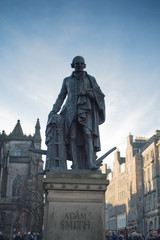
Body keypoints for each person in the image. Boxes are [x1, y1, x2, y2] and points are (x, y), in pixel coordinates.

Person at [48, 56, 105, 170]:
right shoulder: (67, 80)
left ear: (84, 65)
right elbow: (61, 96)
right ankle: (75, 164)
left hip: (86, 110)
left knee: (87, 135)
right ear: (72, 65)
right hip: (70, 110)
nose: (79, 65)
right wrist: (54, 110)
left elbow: (99, 94)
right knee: (72, 137)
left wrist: (87, 92)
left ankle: (90, 163)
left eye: (81, 63)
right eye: (76, 63)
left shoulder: (90, 79)